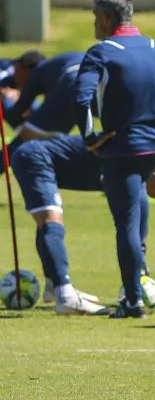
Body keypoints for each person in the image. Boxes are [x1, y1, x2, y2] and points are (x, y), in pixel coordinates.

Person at [73, 0, 155, 320]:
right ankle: (139, 280)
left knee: (125, 225)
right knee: (137, 206)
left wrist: (89, 138)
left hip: (121, 150)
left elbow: (81, 99)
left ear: (104, 18)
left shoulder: (102, 51)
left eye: (94, 18)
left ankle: (132, 301)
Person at [10, 135, 111, 315]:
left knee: (46, 222)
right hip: (34, 157)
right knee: (51, 221)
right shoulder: (137, 158)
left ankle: (53, 285)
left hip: (42, 160)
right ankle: (66, 296)